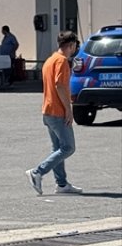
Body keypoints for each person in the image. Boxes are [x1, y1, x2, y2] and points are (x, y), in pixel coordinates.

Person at [26, 32, 82, 195]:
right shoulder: (62, 61)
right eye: (75, 46)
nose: (75, 49)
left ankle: (62, 184)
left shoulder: (50, 60)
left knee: (58, 147)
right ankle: (38, 172)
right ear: (71, 45)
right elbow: (60, 85)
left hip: (48, 110)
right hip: (57, 111)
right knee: (69, 147)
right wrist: (68, 110)